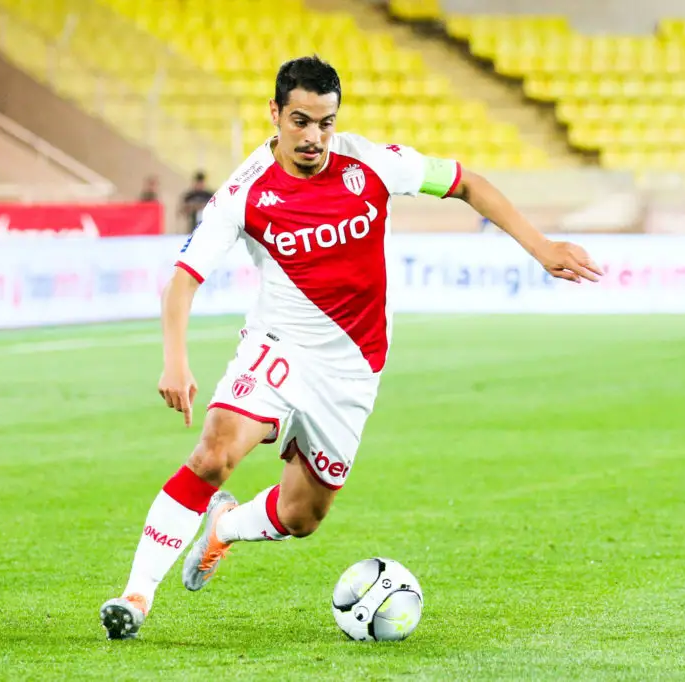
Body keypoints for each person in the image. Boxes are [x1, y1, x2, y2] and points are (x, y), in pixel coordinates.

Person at [99, 55, 602, 640]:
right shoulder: (243, 192)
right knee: (213, 454)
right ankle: (136, 596)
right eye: (300, 121)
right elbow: (183, 279)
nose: (313, 137)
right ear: (275, 114)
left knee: (301, 516)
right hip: (279, 347)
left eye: (325, 123)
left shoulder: (372, 163)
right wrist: (176, 361)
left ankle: (225, 528)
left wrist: (541, 248)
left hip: (353, 369)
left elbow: (466, 182)